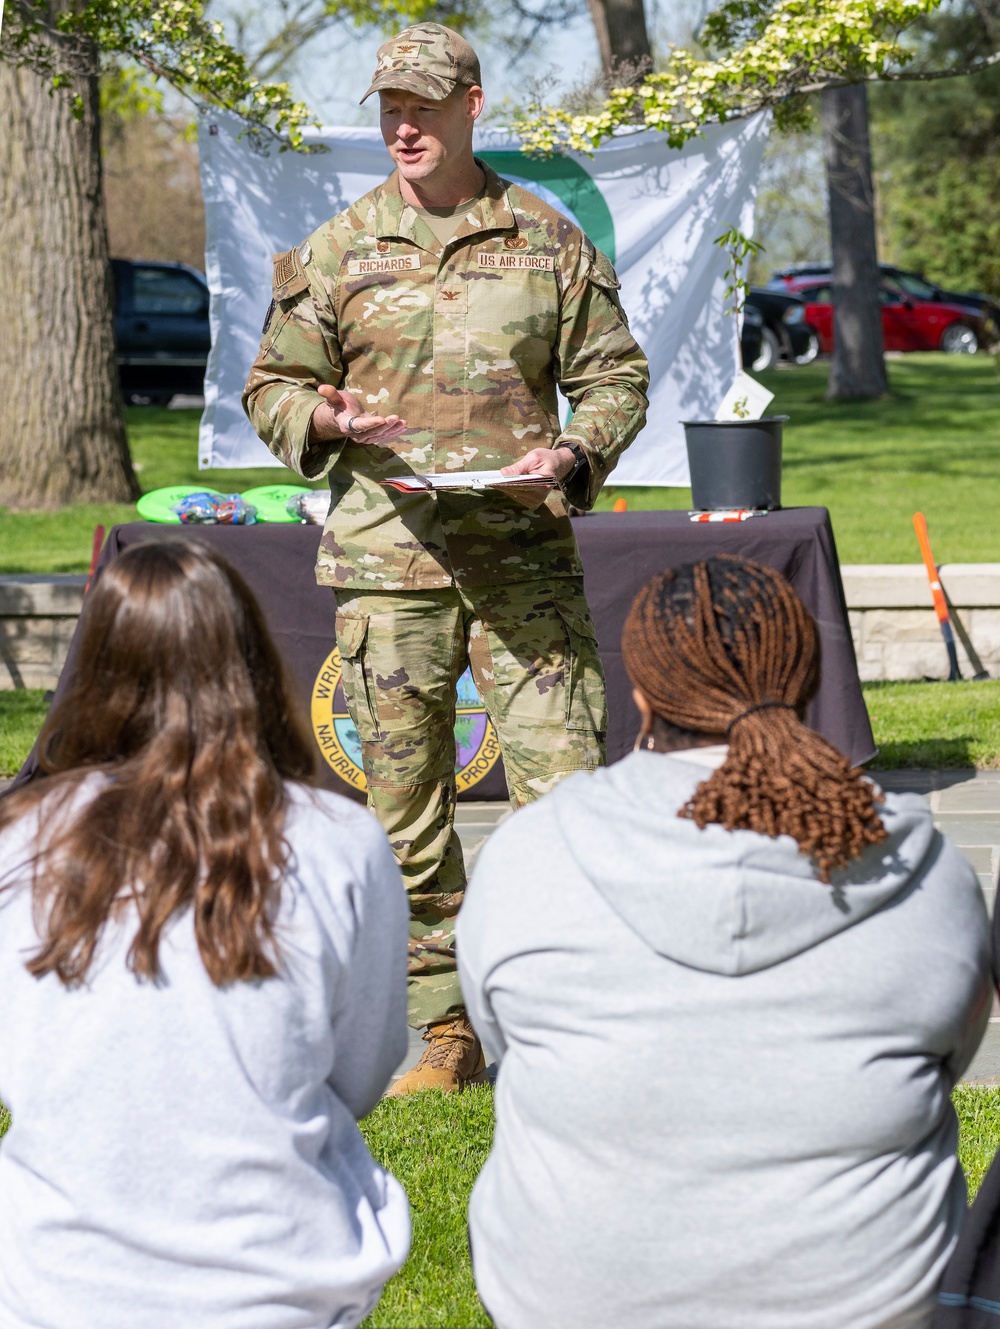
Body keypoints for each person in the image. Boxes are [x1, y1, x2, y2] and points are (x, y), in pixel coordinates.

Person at [243, 21, 649, 1093]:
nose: (404, 126)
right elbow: (270, 385)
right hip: (391, 564)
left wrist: (573, 450)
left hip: (521, 559)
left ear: (473, 106)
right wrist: (321, 420)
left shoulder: (544, 239)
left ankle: (568, 1017)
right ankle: (444, 1023)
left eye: (423, 106)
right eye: (389, 108)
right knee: (403, 804)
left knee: (563, 797)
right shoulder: (340, 247)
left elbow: (615, 378)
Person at [458, 555, 992, 1329]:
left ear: (640, 693)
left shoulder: (529, 854)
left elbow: (503, 1025)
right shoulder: (923, 866)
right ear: (808, 681)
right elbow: (953, 1049)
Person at [0, 542, 410, 1329]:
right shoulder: (343, 841)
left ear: (91, 668)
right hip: (284, 1281)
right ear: (250, 660)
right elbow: (361, 1073)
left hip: (53, 1281)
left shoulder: (21, 841)